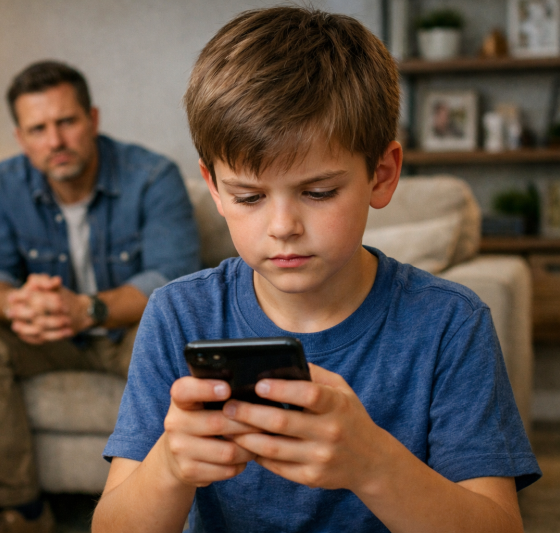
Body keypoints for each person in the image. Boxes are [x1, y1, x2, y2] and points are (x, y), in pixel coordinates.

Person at [93, 7, 541, 533]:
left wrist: (372, 463)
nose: (283, 226)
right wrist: (169, 465)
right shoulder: (179, 314)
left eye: (318, 192)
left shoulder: (449, 323)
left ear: (382, 174)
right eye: (249, 196)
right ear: (213, 187)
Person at [0, 60, 199, 532]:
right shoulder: (3, 182)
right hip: (46, 335)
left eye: (66, 122)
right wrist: (15, 303)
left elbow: (174, 277)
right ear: (21, 138)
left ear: (93, 120)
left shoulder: (152, 175)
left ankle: (170, 509)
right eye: (38, 129)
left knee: (172, 330)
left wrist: (89, 310)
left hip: (125, 331)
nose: (54, 141)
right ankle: (23, 511)